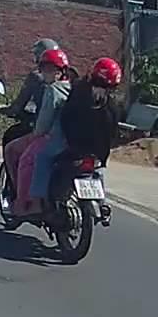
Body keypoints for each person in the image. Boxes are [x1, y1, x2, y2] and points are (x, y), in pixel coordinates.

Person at [27, 57, 123, 217]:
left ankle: (38, 201)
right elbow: (112, 132)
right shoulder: (109, 104)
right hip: (91, 150)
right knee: (97, 170)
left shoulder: (79, 92)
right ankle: (102, 204)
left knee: (42, 157)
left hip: (74, 146)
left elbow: (66, 118)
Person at [7, 48, 72, 217]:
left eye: (50, 69)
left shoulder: (52, 90)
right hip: (72, 140)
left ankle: (25, 203)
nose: (46, 73)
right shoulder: (73, 88)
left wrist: (34, 134)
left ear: (60, 71)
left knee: (20, 156)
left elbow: (42, 125)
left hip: (52, 137)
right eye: (44, 68)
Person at [1, 38, 60, 119]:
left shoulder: (36, 77)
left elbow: (18, 106)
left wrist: (3, 110)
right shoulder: (66, 75)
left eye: (36, 55)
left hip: (42, 121)